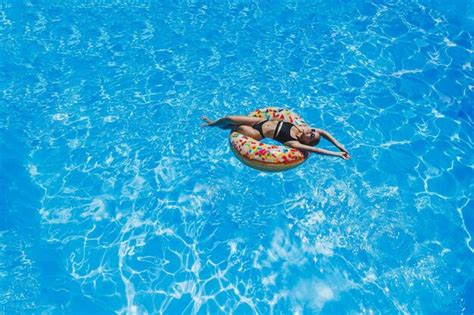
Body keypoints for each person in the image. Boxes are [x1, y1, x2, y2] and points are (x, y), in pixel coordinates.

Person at [201, 115, 350, 160]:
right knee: (229, 117)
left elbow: (315, 150)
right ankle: (212, 123)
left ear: (307, 141)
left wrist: (336, 154)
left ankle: (211, 125)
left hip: (257, 134)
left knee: (231, 127)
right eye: (313, 131)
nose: (311, 131)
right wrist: (339, 145)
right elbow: (323, 132)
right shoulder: (301, 128)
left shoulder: (294, 142)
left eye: (311, 135)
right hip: (259, 121)